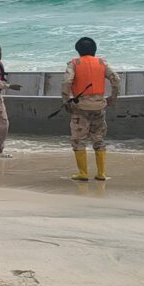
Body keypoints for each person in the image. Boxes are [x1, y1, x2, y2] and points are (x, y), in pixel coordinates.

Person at [61, 37, 122, 182]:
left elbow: (67, 81)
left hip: (80, 107)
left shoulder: (74, 63)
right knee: (98, 139)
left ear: (78, 50)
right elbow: (116, 79)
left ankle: (83, 173)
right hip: (99, 106)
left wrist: (66, 100)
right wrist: (113, 97)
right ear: (94, 50)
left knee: (78, 140)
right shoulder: (102, 63)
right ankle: (101, 173)